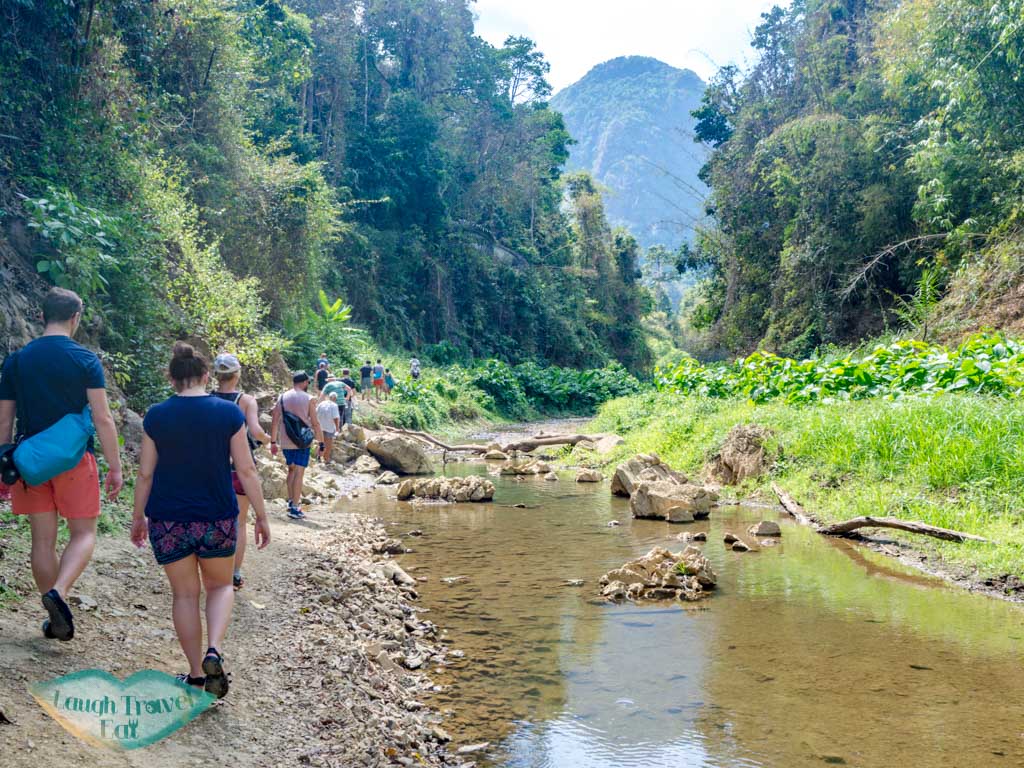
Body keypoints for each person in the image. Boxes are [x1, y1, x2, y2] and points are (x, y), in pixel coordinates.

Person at [131, 343, 270, 698]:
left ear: (171, 377)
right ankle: (215, 650)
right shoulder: (227, 414)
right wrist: (261, 516)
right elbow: (247, 469)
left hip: (169, 518)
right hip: (217, 516)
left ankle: (195, 674)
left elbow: (145, 474)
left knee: (185, 595)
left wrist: (138, 517)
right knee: (221, 587)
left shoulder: (156, 416)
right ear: (207, 376)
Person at [0, 287, 123, 642]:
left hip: (31, 464)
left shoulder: (16, 361)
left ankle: (52, 614)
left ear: (41, 316)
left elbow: (3, 421)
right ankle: (60, 592)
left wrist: (4, 462)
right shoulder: (85, 360)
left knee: (42, 541)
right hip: (74, 460)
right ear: (75, 318)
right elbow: (102, 418)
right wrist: (115, 467)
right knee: (83, 533)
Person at [210, 353, 273, 591]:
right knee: (239, 522)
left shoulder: (205, 397)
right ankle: (234, 573)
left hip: (211, 467)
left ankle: (211, 567)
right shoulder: (245, 400)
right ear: (237, 374)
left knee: (211, 518)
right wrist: (269, 440)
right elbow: (255, 430)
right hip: (238, 466)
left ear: (216, 375)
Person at [270, 372, 324, 520]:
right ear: (305, 382)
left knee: (291, 469)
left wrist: (273, 442)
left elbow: (275, 420)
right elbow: (315, 423)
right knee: (299, 472)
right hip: (301, 442)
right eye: (307, 382)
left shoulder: (282, 397)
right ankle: (295, 507)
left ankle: (290, 501)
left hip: (286, 440)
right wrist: (321, 442)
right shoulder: (309, 398)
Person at [315, 393, 341, 463]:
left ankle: (319, 456)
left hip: (320, 426)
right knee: (328, 444)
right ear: (335, 399)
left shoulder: (322, 403)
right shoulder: (334, 405)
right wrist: (337, 428)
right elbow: (335, 418)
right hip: (329, 427)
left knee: (321, 442)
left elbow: (315, 412)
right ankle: (326, 458)